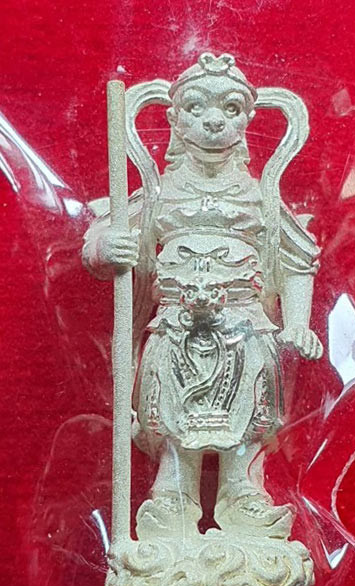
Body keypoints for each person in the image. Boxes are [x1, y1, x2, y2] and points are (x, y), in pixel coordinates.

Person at [82, 52, 322, 543]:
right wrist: (109, 247)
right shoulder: (159, 192)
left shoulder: (261, 197)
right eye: (196, 107)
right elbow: (98, 242)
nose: (214, 121)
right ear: (174, 119)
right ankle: (173, 494)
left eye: (230, 109)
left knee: (249, 413)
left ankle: (243, 491)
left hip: (246, 326)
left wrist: (297, 321)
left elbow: (298, 258)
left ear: (248, 120)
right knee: (172, 414)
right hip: (174, 326)